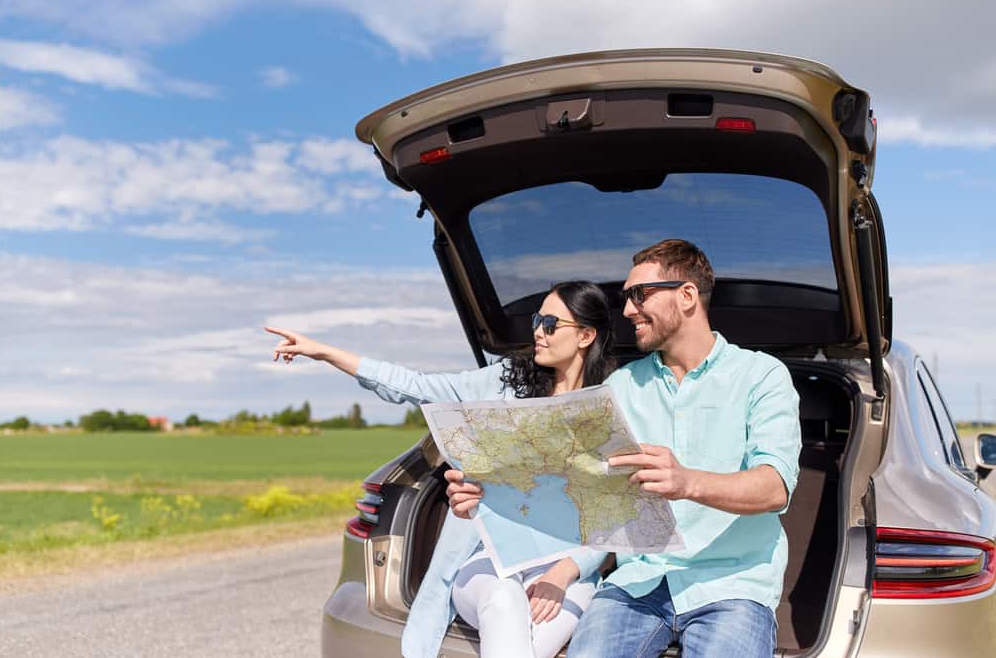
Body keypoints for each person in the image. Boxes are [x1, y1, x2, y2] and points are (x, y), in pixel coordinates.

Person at [266, 281, 614, 658]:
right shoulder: (502, 383)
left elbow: (618, 514)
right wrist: (325, 353)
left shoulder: (607, 409)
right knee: (502, 599)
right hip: (487, 561)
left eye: (549, 323)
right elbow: (414, 385)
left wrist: (563, 574)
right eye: (536, 319)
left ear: (585, 336)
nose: (537, 331)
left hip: (565, 569)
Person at [560, 239, 802, 657]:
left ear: (687, 295)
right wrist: (486, 490)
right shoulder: (620, 388)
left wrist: (686, 481)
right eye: (625, 298)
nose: (628, 309)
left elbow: (774, 487)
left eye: (639, 294)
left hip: (732, 586)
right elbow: (587, 492)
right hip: (637, 583)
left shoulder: (762, 376)